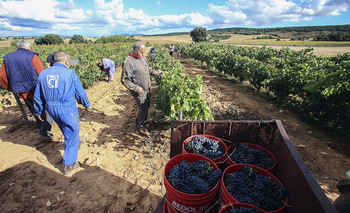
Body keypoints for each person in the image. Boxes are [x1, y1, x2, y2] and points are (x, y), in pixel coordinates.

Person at [34, 52, 91, 175]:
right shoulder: (70, 74)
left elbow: (37, 96)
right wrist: (86, 104)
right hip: (66, 107)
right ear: (67, 62)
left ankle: (76, 142)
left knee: (65, 128)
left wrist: (39, 111)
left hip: (51, 108)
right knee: (71, 132)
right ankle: (69, 164)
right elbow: (80, 93)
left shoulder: (43, 73)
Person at [0, 39, 53, 138]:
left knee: (33, 109)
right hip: (36, 88)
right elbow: (41, 73)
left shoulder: (7, 58)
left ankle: (40, 127)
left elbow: (3, 76)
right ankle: (44, 130)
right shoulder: (32, 56)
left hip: (21, 90)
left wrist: (11, 88)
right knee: (46, 108)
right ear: (28, 47)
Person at [121, 41, 163, 135]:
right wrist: (136, 88)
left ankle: (139, 120)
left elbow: (148, 69)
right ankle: (141, 127)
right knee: (143, 108)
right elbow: (124, 80)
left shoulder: (142, 58)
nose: (144, 54)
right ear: (136, 50)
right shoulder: (128, 62)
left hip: (147, 88)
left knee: (146, 106)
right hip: (139, 91)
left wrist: (155, 72)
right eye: (142, 52)